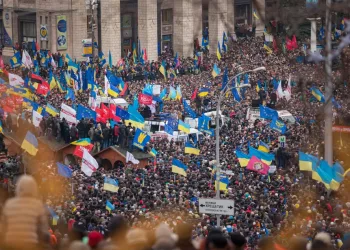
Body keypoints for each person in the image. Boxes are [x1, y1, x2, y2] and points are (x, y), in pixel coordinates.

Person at [0, 175, 49, 250]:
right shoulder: (38, 205)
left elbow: (3, 227)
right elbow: (44, 230)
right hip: (30, 244)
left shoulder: (9, 204)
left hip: (10, 244)